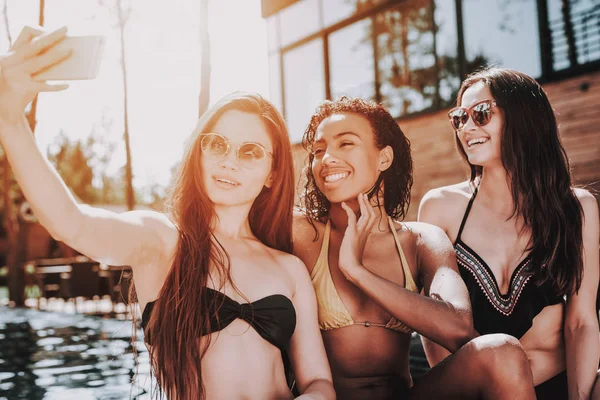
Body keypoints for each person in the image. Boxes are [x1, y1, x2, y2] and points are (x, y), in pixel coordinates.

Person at [0, 27, 334, 400]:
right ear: (199, 152)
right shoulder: (163, 242)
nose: (229, 161)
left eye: (250, 151)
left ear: (273, 172)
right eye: (217, 144)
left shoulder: (288, 267)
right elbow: (72, 223)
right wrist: (11, 121)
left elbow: (318, 381)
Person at [292, 96, 537, 399]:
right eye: (319, 150)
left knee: (502, 350)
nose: (327, 157)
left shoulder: (421, 240)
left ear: (384, 158)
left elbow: (457, 328)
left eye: (345, 144)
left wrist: (357, 271)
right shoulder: (300, 232)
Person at [418, 67, 600, 399]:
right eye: (459, 118)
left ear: (523, 117)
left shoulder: (577, 208)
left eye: (481, 114)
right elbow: (435, 330)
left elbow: (580, 323)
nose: (467, 127)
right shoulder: (441, 207)